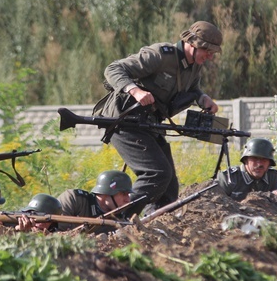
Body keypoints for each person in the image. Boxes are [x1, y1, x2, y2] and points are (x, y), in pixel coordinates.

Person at [93, 21, 222, 215]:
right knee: (157, 174)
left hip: (148, 123)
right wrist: (134, 90)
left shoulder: (194, 66)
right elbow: (113, 69)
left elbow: (193, 89)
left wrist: (203, 99)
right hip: (124, 120)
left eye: (213, 52)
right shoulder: (160, 55)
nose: (210, 56)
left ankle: (154, 224)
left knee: (168, 186)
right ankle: (119, 220)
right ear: (193, 44)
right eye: (208, 51)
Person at [56, 170, 133, 233]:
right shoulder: (74, 199)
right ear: (107, 192)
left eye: (128, 194)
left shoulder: (119, 222)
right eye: (123, 194)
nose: (128, 199)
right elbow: (56, 231)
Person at [217, 137, 277, 201]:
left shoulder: (272, 176)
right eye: (255, 158)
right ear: (245, 160)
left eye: (264, 160)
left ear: (269, 163)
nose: (259, 164)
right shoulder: (229, 177)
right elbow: (217, 205)